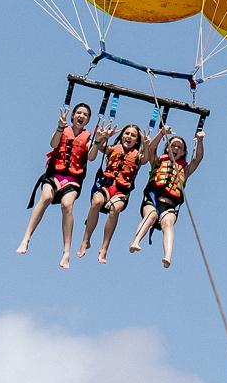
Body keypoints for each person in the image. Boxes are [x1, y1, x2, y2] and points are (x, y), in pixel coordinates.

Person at [18, 101, 96, 267]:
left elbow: (91, 157)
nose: (81, 116)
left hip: (73, 180)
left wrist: (99, 141)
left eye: (85, 115)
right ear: (73, 115)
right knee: (46, 196)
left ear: (88, 120)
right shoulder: (62, 129)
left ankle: (66, 252)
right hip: (54, 175)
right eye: (79, 113)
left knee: (67, 205)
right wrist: (60, 127)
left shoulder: (88, 139)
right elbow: (53, 144)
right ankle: (26, 238)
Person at [130, 125, 204, 269]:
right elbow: (151, 149)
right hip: (152, 201)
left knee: (168, 223)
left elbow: (198, 159)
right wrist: (162, 133)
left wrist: (200, 141)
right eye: (173, 145)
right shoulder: (157, 162)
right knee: (151, 215)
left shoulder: (185, 170)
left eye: (179, 147)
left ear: (183, 152)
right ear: (167, 148)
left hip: (170, 206)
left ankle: (168, 256)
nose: (175, 148)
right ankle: (136, 241)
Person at [77, 122, 149, 264]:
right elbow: (99, 147)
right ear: (121, 136)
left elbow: (146, 159)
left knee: (115, 209)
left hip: (121, 191)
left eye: (133, 135)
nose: (129, 137)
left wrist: (146, 145)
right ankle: (86, 240)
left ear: (137, 140)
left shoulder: (139, 155)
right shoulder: (112, 148)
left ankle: (104, 248)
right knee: (96, 202)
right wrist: (104, 137)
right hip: (105, 186)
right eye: (127, 133)